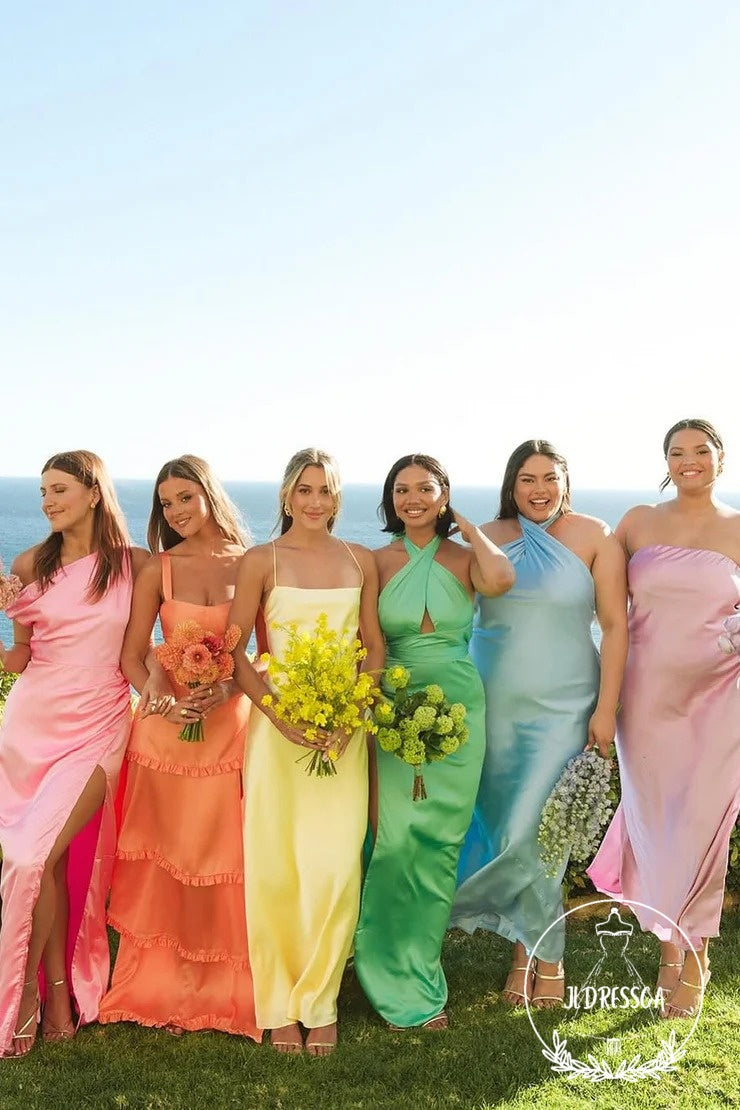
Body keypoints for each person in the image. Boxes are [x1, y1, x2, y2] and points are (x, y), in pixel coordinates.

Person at [451, 440, 627, 1009]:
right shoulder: (485, 537)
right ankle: (524, 944)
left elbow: (615, 626)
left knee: (543, 831)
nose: (539, 489)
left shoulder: (596, 535)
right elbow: (450, 615)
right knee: (506, 828)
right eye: (527, 479)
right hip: (493, 703)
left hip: (567, 703)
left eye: (549, 477)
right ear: (512, 485)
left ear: (565, 481)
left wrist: (606, 708)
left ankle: (544, 956)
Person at [229, 448, 384, 1056]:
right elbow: (234, 652)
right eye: (304, 489)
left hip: (342, 731)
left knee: (336, 867)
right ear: (286, 496)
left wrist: (352, 714)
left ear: (337, 497)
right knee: (276, 868)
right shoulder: (260, 560)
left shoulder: (360, 559)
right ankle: (278, 1002)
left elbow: (373, 648)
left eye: (325, 490)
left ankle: (320, 1000)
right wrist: (278, 715)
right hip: (277, 733)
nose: (315, 501)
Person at [99, 455, 260, 1040]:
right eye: (166, 503)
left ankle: (221, 986)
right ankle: (161, 983)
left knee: (222, 857)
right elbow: (131, 656)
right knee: (168, 857)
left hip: (229, 731)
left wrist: (227, 688)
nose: (175, 511)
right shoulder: (158, 569)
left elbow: (264, 653)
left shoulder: (252, 563)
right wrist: (162, 700)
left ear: (209, 495)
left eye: (185, 498)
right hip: (165, 736)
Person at [353, 453, 515, 1029]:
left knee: (440, 842)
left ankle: (420, 966)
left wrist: (465, 526)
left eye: (425, 489)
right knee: (393, 838)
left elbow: (502, 579)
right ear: (389, 499)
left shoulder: (467, 559)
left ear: (444, 494)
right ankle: (380, 963)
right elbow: (366, 639)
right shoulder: (375, 561)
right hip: (392, 699)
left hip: (459, 706)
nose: (412, 499)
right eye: (401, 490)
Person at [588, 418, 740, 1018]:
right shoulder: (636, 522)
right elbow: (602, 602)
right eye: (677, 452)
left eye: (700, 450)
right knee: (655, 827)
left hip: (718, 700)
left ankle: (695, 959)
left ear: (721, 459)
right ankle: (668, 949)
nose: (688, 460)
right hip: (646, 700)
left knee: (703, 825)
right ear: (666, 462)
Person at [0, 450, 149, 1057]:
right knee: (47, 863)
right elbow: (19, 658)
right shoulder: (29, 564)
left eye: (59, 489)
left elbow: (137, 653)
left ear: (93, 492)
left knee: (31, 858)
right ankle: (56, 993)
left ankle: (21, 999)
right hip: (30, 725)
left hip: (98, 724)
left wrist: (173, 693)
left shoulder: (136, 565)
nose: (47, 502)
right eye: (43, 492)